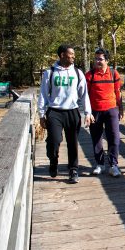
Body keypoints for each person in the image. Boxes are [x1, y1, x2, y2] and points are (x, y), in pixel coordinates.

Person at [38, 44, 94, 183]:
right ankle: (53, 160)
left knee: (72, 142)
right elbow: (44, 95)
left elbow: (84, 94)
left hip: (72, 111)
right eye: (71, 54)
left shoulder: (77, 72)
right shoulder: (50, 72)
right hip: (55, 112)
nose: (73, 56)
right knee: (54, 141)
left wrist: (88, 112)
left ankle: (73, 169)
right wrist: (41, 114)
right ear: (62, 55)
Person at [85, 48, 124, 177]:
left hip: (111, 109)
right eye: (96, 59)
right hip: (95, 111)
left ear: (107, 60)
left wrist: (121, 108)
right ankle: (100, 164)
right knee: (96, 138)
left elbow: (118, 93)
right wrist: (87, 112)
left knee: (114, 137)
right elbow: (85, 95)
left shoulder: (114, 74)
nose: (97, 61)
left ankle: (113, 165)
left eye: (100, 59)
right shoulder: (89, 75)